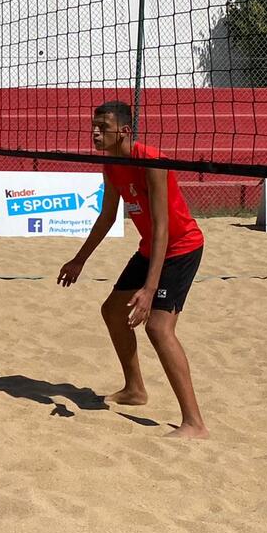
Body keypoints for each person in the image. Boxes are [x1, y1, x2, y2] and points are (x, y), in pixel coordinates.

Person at [56, 102, 209, 440]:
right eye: (94, 126)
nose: (95, 133)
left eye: (103, 128)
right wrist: (79, 259)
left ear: (124, 131)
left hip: (180, 247)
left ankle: (194, 423)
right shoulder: (112, 164)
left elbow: (162, 228)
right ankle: (135, 389)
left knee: (158, 327)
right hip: (150, 248)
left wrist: (149, 290)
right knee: (112, 311)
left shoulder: (152, 162)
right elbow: (107, 217)